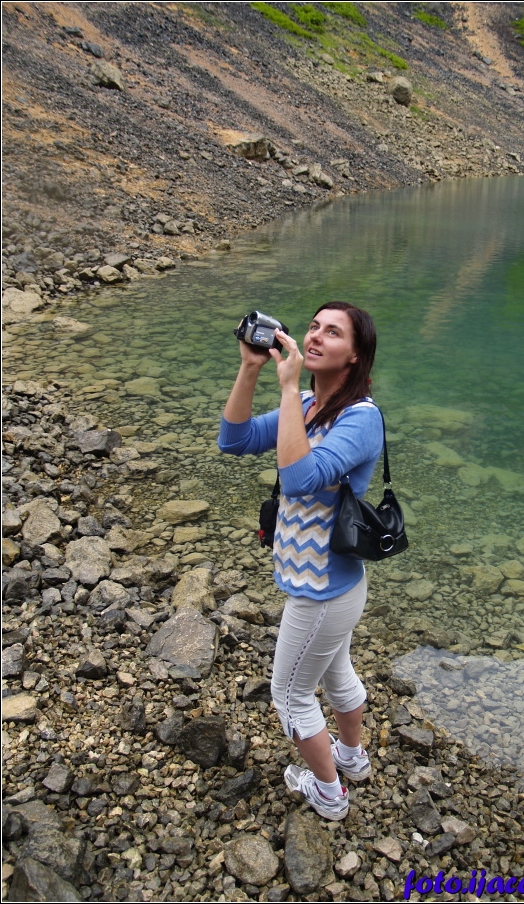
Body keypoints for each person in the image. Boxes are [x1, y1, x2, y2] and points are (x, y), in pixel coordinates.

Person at [218, 301, 383, 820]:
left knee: (289, 695)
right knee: (335, 673)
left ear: (354, 355)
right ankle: (351, 759)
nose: (314, 337)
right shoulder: (310, 403)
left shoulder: (361, 419)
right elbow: (234, 439)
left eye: (332, 332)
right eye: (313, 327)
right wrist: (251, 369)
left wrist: (288, 389)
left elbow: (299, 479)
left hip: (323, 592)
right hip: (329, 587)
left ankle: (330, 793)